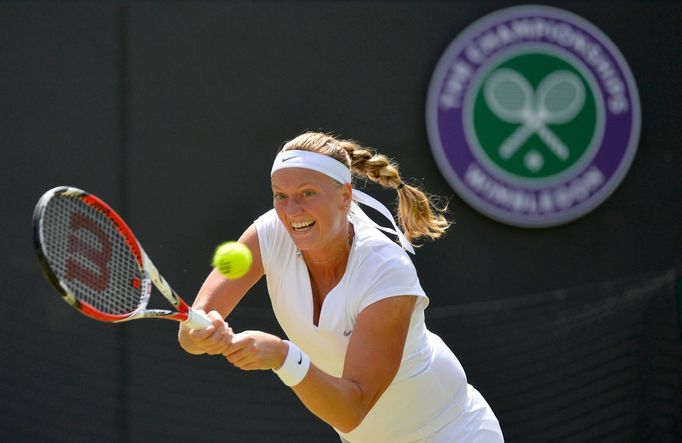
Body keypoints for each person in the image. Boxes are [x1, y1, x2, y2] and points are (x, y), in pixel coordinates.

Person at [178, 132, 504, 443]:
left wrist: (283, 355)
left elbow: (352, 409)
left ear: (345, 196)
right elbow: (191, 331)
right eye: (281, 195)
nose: (291, 211)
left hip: (452, 433)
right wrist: (202, 332)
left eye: (307, 193)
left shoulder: (385, 269)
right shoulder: (269, 233)